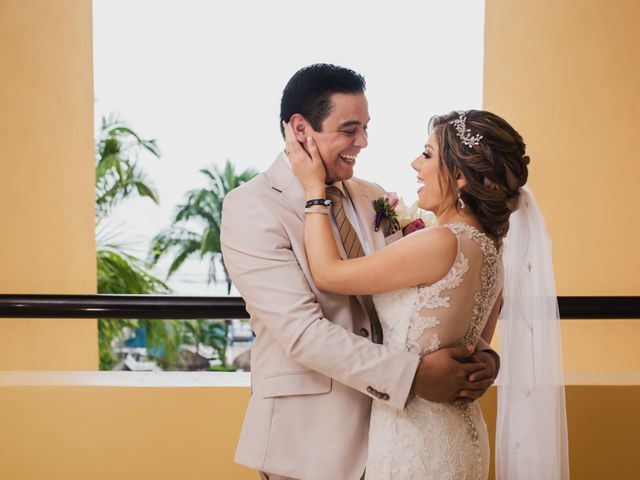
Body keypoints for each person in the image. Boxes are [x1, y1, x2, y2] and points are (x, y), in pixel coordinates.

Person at [221, 64, 499, 480]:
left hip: (399, 441)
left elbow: (432, 296)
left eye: (366, 127)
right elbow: (301, 332)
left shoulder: (371, 196)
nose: (363, 142)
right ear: (301, 130)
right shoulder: (252, 207)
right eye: (350, 130)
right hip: (310, 447)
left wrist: (482, 360)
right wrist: (415, 376)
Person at [286, 109, 543, 479]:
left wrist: (314, 191)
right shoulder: (491, 252)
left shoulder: (440, 242)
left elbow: (328, 274)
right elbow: (478, 348)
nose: (415, 164)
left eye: (427, 154)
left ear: (458, 176)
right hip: (461, 432)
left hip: (414, 440)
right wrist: (491, 363)